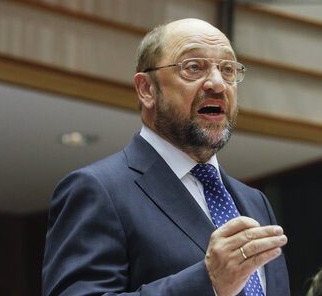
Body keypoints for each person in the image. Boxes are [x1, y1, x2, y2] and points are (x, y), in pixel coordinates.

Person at [42, 18, 290, 296]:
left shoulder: (255, 202)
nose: (218, 84)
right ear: (147, 89)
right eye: (194, 67)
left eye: (228, 69)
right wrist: (207, 281)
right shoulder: (97, 189)